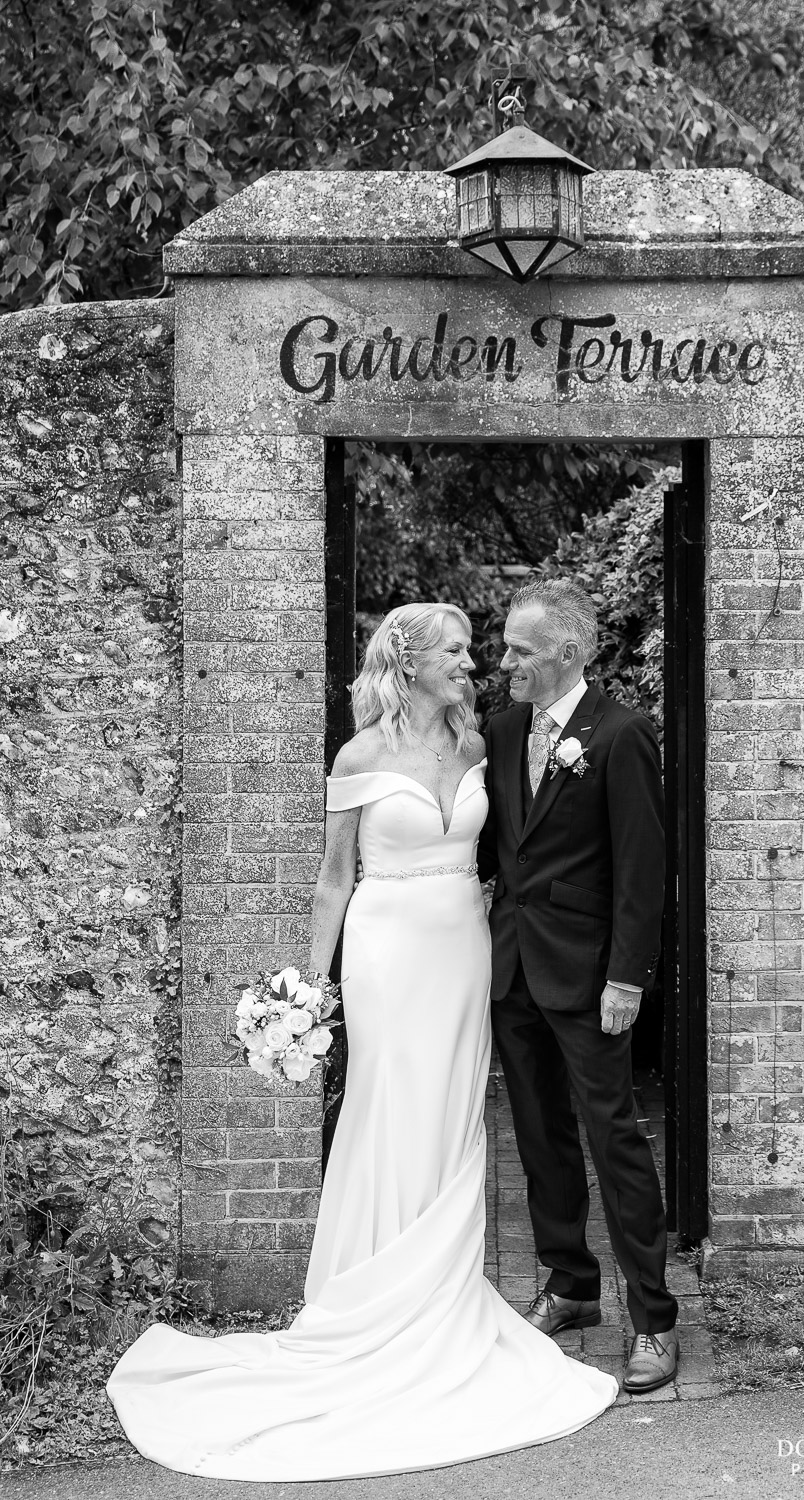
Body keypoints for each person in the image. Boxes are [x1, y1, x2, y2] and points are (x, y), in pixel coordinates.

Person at [107, 601, 616, 1481]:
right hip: (385, 949)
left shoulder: (478, 744)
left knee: (456, 1115)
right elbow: (334, 878)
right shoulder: (359, 755)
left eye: (472, 650)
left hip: (462, 942)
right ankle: (376, 1296)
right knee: (389, 1106)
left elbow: (514, 849)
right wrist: (311, 985)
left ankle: (445, 1299)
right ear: (408, 661)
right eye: (456, 650)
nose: (472, 663)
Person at [477, 578, 679, 1393]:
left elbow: (642, 870)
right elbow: (500, 853)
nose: (506, 661)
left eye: (521, 650)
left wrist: (627, 978)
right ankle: (570, 1287)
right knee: (538, 1137)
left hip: (593, 977)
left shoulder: (622, 734)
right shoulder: (499, 730)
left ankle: (655, 1321)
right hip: (513, 967)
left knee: (615, 1140)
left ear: (570, 651)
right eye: (505, 647)